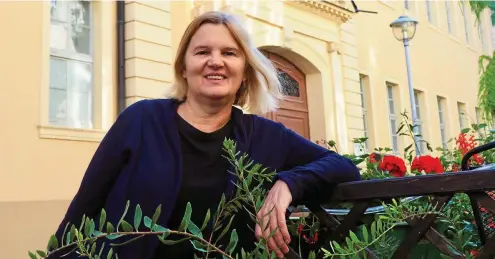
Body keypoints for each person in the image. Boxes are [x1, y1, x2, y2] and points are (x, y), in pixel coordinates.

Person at [48, 11, 361, 259]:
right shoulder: (141, 120)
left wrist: (287, 184)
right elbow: (84, 208)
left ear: (245, 71)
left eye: (229, 52)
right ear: (184, 67)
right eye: (202, 52)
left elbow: (344, 167)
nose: (216, 61)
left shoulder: (265, 136)